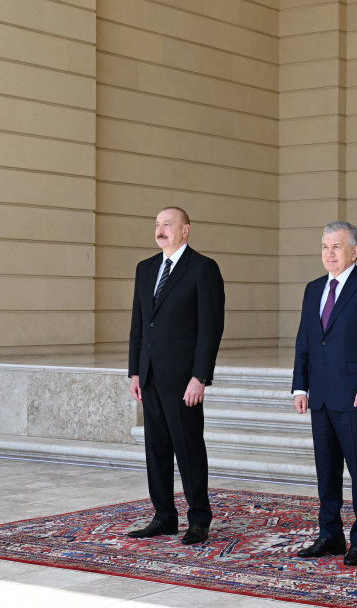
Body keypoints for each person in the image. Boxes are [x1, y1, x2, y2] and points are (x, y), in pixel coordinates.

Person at [291, 221, 357, 566]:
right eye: (324, 247)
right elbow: (305, 341)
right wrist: (299, 386)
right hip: (319, 396)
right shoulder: (312, 289)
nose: (329, 253)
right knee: (327, 472)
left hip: (356, 398)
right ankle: (330, 535)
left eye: (336, 246)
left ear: (354, 251)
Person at [127, 207, 225, 545]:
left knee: (188, 449)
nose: (160, 229)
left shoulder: (202, 269)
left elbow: (210, 329)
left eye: (167, 224)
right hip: (151, 376)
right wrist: (135, 371)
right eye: (156, 224)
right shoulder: (146, 269)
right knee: (156, 449)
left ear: (185, 230)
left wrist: (200, 377)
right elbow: (139, 324)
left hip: (184, 379)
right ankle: (164, 516)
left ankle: (199, 518)